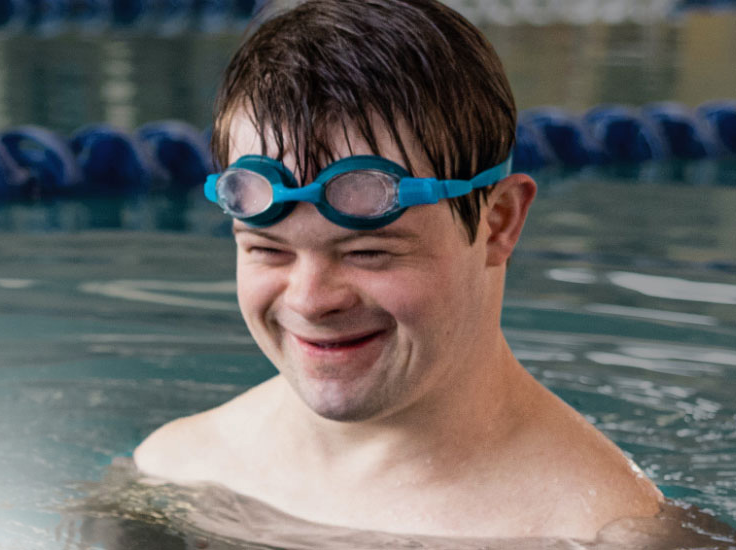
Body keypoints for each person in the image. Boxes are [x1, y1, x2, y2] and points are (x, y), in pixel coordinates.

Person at [132, 0, 670, 541]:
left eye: (368, 253)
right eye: (269, 251)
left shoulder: (601, 531)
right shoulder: (174, 473)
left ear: (499, 223)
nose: (310, 300)